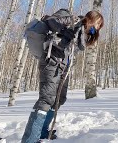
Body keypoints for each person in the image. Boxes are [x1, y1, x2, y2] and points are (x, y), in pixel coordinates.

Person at [21, 9, 104, 143]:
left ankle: (42, 132)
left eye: (100, 25)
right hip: (51, 61)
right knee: (46, 99)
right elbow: (51, 21)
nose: (98, 27)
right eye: (98, 23)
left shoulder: (84, 36)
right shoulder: (72, 20)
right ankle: (30, 140)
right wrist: (64, 31)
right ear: (91, 19)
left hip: (64, 67)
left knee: (60, 99)